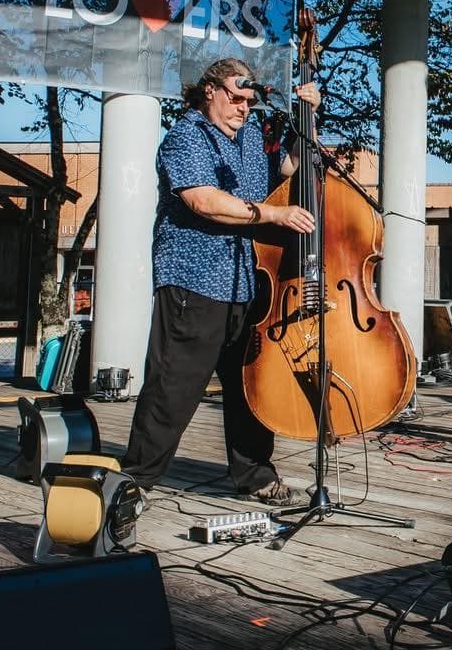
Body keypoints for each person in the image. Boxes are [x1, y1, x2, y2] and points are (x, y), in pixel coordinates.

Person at [121, 57, 320, 502]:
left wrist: (308, 118)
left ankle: (255, 475)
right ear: (208, 90)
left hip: (246, 282)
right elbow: (203, 201)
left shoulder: (251, 135)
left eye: (248, 100)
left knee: (249, 386)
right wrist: (273, 214)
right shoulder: (185, 136)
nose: (243, 107)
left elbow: (288, 169)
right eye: (234, 97)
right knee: (174, 385)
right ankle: (134, 480)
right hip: (194, 280)